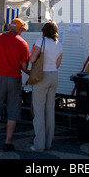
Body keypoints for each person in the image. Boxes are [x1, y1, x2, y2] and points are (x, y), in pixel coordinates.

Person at [0, 18, 30, 152]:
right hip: (14, 79)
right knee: (13, 111)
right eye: (22, 30)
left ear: (10, 27)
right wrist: (34, 73)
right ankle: (7, 143)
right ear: (20, 29)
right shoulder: (23, 44)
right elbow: (24, 67)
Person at [29, 21, 63, 152]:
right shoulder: (59, 44)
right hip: (54, 76)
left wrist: (34, 51)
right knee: (50, 111)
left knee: (38, 112)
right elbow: (58, 64)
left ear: (44, 30)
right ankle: (48, 143)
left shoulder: (40, 41)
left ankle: (39, 145)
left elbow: (32, 59)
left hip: (41, 76)